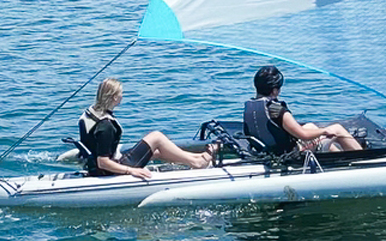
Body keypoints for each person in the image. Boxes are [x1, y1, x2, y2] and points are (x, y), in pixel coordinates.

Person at [78, 78, 211, 179]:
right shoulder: (106, 126)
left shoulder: (90, 114)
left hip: (98, 167)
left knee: (156, 152)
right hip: (109, 170)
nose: (122, 96)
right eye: (121, 93)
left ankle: (197, 158)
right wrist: (131, 170)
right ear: (115, 97)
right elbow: (103, 162)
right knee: (156, 137)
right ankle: (197, 163)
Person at [244, 66, 363, 156]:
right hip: (290, 153)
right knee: (336, 129)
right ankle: (362, 159)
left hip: (269, 150)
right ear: (274, 90)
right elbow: (304, 135)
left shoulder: (251, 107)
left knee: (310, 126)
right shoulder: (278, 110)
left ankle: (337, 157)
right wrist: (324, 131)